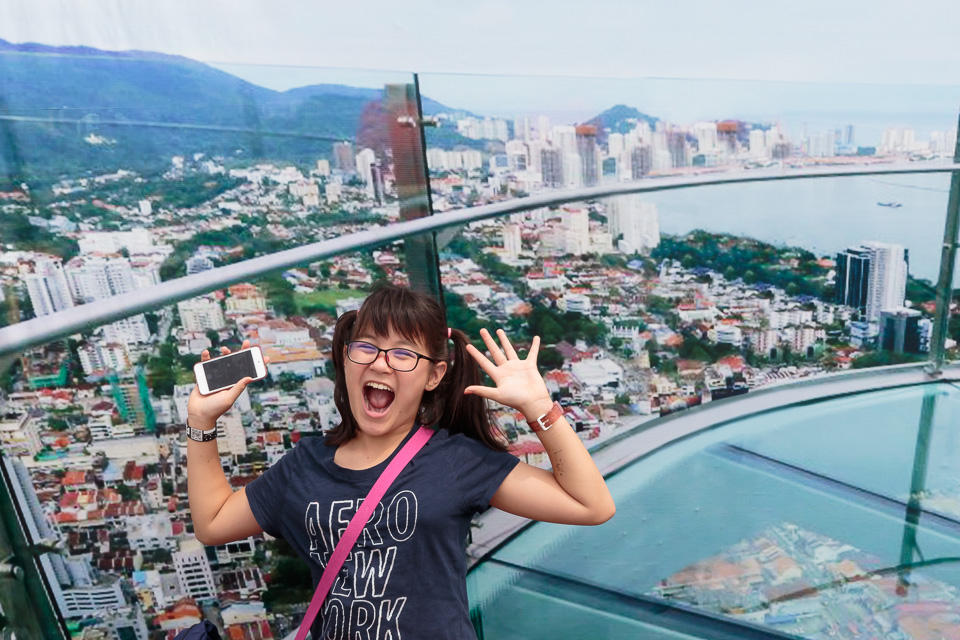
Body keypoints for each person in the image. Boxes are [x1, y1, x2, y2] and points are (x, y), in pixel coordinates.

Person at [186, 283, 615, 639]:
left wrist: (539, 408)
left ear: (434, 376)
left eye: (403, 354)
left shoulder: (454, 461)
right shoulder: (304, 465)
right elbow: (213, 523)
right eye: (367, 348)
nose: (381, 363)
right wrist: (202, 422)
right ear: (346, 359)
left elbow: (590, 505)